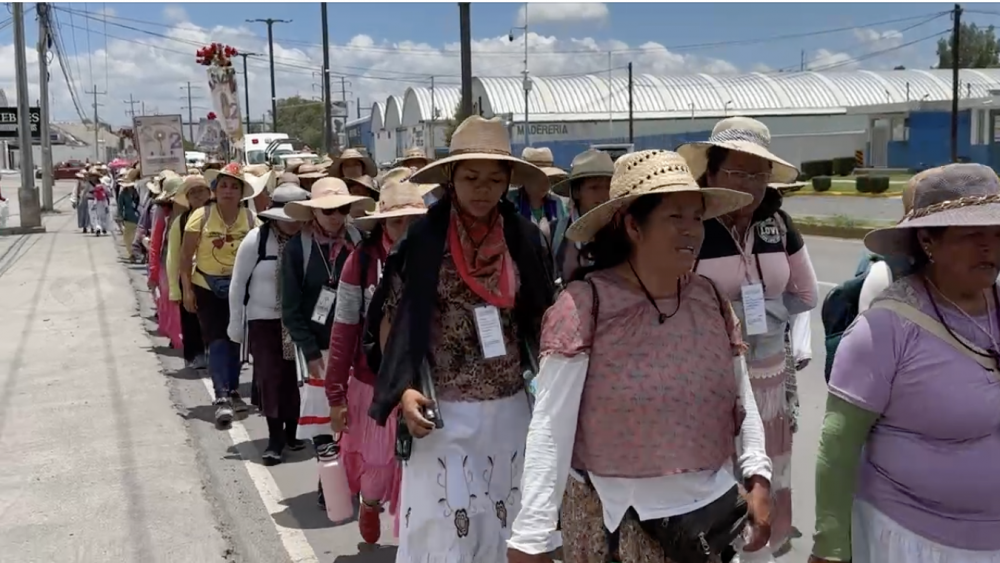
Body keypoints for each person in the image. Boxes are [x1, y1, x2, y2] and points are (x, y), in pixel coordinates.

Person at [507, 149, 771, 563]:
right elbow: (550, 428)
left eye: (696, 218)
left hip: (710, 524)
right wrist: (533, 535)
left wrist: (759, 476)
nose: (692, 231)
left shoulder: (710, 300)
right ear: (633, 225)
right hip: (617, 530)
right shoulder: (584, 307)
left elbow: (742, 397)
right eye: (675, 217)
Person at [365, 116, 554, 563]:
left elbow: (545, 319)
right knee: (444, 531)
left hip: (511, 409)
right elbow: (393, 320)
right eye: (471, 177)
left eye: (494, 179)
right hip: (440, 412)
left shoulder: (525, 238)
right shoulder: (423, 239)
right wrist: (404, 391)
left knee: (505, 527)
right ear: (451, 177)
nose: (482, 189)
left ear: (509, 181)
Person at [810, 163, 1000, 563]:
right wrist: (830, 545)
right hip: (907, 540)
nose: (990, 247)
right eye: (972, 235)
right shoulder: (885, 326)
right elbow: (838, 445)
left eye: (997, 234)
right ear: (928, 241)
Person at [679, 116, 819, 560]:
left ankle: (761, 549)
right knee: (716, 477)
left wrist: (760, 314)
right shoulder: (693, 224)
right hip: (709, 378)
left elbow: (806, 293)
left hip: (770, 377)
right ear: (712, 174)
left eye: (758, 173)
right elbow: (669, 294)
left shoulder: (778, 223)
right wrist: (726, 318)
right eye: (737, 172)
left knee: (769, 474)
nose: (750, 184)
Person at [326, 171, 433, 544]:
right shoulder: (360, 262)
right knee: (378, 470)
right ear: (383, 221)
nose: (405, 228)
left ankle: (410, 543)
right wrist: (335, 395)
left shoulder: (438, 258)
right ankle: (369, 503)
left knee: (418, 472)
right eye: (397, 220)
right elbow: (343, 331)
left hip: (426, 384)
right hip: (373, 384)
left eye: (413, 220)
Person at [281, 177, 372, 507]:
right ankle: (330, 485)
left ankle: (356, 480)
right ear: (314, 213)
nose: (335, 216)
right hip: (317, 347)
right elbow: (290, 308)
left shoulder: (360, 242)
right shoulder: (297, 249)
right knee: (324, 420)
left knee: (354, 418)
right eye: (328, 210)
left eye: (342, 209)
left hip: (357, 347)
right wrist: (307, 348)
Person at [228, 183, 311, 465]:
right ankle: (274, 438)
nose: (293, 224)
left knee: (296, 379)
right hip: (263, 320)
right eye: (287, 218)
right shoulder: (256, 240)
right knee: (271, 377)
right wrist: (235, 323)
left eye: (299, 218)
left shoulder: (309, 239)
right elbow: (238, 284)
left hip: (299, 321)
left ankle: (292, 432)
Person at [180, 163, 258, 425]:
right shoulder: (200, 216)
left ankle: (233, 389)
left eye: (234, 186)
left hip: (241, 288)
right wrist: (186, 290)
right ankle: (221, 396)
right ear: (215, 189)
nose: (228, 191)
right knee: (217, 341)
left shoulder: (249, 219)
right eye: (223, 185)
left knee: (236, 339)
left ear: (241, 193)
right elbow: (185, 257)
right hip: (206, 286)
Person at [167, 175, 212, 370]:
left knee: (215, 321)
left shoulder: (219, 214)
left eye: (201, 190)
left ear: (209, 193)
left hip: (214, 276)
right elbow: (173, 255)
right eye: (192, 192)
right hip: (189, 277)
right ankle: (195, 356)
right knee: (191, 318)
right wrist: (174, 289)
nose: (197, 195)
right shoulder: (181, 221)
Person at [551, 149, 614, 283]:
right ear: (576, 192)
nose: (604, 195)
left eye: (608, 187)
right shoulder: (555, 232)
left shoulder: (623, 232)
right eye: (595, 188)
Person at [507, 146, 570, 278]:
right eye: (538, 178)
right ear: (525, 179)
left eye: (548, 179)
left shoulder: (557, 203)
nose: (544, 184)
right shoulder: (510, 202)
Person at [148, 176, 185, 351]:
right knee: (172, 302)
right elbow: (155, 243)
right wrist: (153, 272)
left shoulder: (196, 211)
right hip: (167, 265)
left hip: (188, 265)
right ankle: (177, 338)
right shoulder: (163, 213)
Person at [117, 168, 142, 260]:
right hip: (128, 217)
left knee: (137, 237)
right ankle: (132, 254)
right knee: (128, 238)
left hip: (138, 217)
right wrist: (120, 216)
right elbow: (120, 206)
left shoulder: (137, 192)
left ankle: (138, 253)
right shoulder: (123, 193)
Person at [88, 167, 112, 236]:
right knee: (102, 215)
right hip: (102, 201)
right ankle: (102, 227)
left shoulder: (94, 184)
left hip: (94, 201)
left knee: (95, 216)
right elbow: (108, 192)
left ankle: (97, 227)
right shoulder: (102, 184)